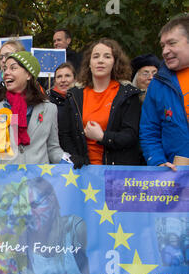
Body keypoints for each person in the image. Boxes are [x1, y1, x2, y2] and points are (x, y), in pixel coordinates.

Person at [59, 38, 143, 168]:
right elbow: (65, 133)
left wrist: (103, 136)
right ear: (89, 63)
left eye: (107, 56)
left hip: (117, 173)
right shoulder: (74, 94)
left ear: (115, 62)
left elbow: (131, 135)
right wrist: (75, 156)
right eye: (96, 56)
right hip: (83, 172)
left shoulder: (128, 94)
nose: (100, 61)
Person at [0, 51, 64, 166]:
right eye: (5, 69)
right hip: (5, 180)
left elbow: (53, 149)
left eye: (13, 68)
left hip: (37, 180)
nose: (6, 73)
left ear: (28, 75)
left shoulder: (49, 109)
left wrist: (69, 159)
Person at [140, 15, 189, 171]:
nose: (165, 51)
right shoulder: (158, 84)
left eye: (172, 43)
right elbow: (149, 130)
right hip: (178, 178)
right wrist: (158, 162)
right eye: (163, 46)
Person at [46, 62, 77, 130]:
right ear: (54, 81)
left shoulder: (81, 99)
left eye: (67, 76)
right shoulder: (47, 102)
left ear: (75, 79)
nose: (63, 80)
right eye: (59, 77)